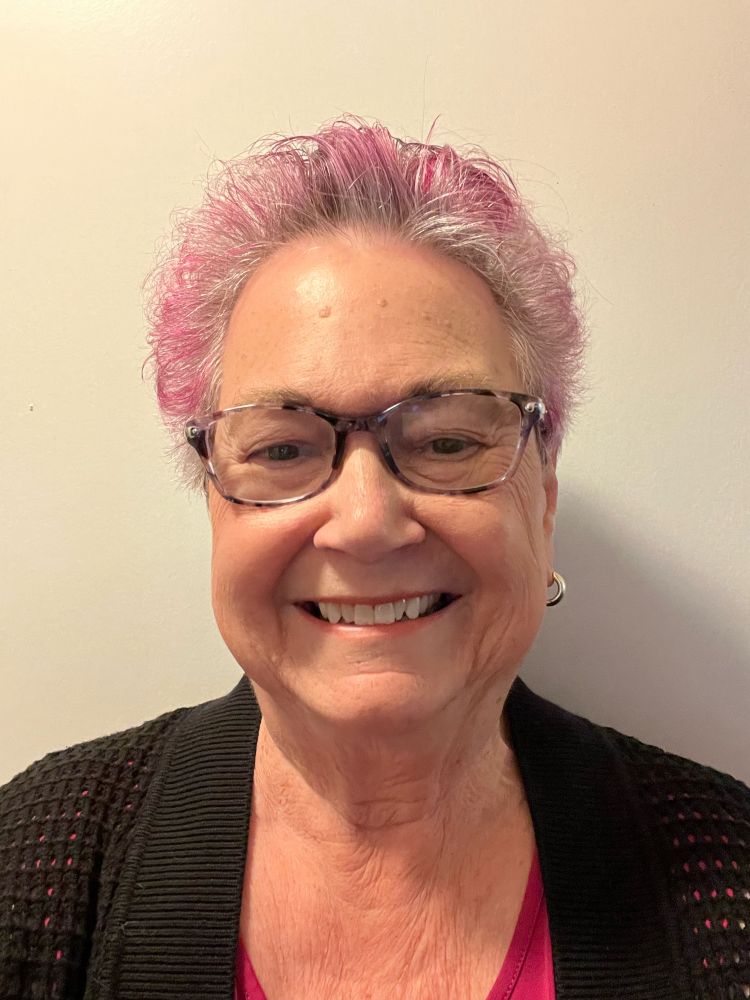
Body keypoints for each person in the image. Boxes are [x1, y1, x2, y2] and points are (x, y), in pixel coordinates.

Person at [1, 118, 748, 1000]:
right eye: (281, 450)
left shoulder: (727, 883)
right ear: (213, 502)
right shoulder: (38, 866)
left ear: (541, 496)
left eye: (447, 440)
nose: (363, 523)